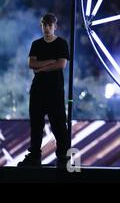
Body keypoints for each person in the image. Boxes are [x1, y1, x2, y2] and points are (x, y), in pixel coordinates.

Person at [17, 13, 70, 168]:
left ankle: (63, 157)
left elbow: (61, 64)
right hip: (38, 89)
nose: (46, 28)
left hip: (54, 90)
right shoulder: (36, 44)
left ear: (55, 26)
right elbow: (31, 64)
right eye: (44, 25)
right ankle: (34, 157)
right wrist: (49, 63)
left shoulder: (61, 43)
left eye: (49, 25)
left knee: (59, 124)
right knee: (36, 124)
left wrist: (42, 66)